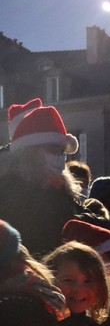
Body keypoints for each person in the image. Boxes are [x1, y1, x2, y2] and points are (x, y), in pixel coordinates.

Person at [0, 98, 99, 257]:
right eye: (53, 150)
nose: (60, 157)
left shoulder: (61, 191)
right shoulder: (10, 191)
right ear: (32, 153)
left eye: (62, 151)